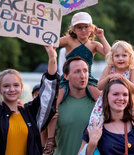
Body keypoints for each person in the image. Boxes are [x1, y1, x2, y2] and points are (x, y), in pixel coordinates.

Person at [0, 27, 60, 155]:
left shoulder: (31, 114)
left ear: (21, 87)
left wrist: (52, 58)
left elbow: (48, 96)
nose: (11, 89)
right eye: (6, 86)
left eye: (15, 85)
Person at [43, 12, 111, 153]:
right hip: (67, 78)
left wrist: (102, 37)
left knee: (103, 101)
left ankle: (105, 133)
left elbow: (110, 55)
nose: (83, 30)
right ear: (73, 29)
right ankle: (50, 139)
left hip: (88, 79)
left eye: (86, 27)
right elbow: (50, 40)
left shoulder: (94, 44)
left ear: (91, 28)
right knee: (52, 106)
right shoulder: (68, 40)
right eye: (79, 27)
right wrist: (50, 30)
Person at [79, 79, 134, 155]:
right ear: (106, 96)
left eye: (125, 95)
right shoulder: (96, 125)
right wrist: (92, 143)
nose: (121, 98)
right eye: (115, 94)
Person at [88, 40, 134, 129]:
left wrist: (124, 79)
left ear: (130, 57)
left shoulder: (131, 71)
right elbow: (99, 86)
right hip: (105, 103)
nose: (120, 58)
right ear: (112, 57)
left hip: (124, 103)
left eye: (124, 55)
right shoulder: (109, 68)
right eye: (117, 56)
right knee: (96, 124)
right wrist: (108, 77)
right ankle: (92, 138)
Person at [53, 56, 96, 155]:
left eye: (85, 71)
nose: (83, 76)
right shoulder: (57, 104)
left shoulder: (97, 105)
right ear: (66, 76)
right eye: (77, 71)